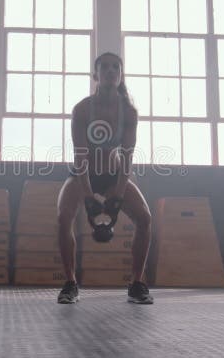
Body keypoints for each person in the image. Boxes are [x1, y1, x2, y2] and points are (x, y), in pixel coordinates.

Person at [56, 52, 154, 305]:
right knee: (63, 216)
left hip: (113, 176)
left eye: (115, 68)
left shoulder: (129, 112)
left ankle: (137, 284)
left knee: (144, 218)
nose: (111, 71)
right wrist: (88, 196)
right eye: (105, 67)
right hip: (83, 175)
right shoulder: (82, 109)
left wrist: (118, 195)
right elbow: (80, 157)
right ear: (95, 74)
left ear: (120, 76)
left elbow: (127, 158)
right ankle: (70, 283)